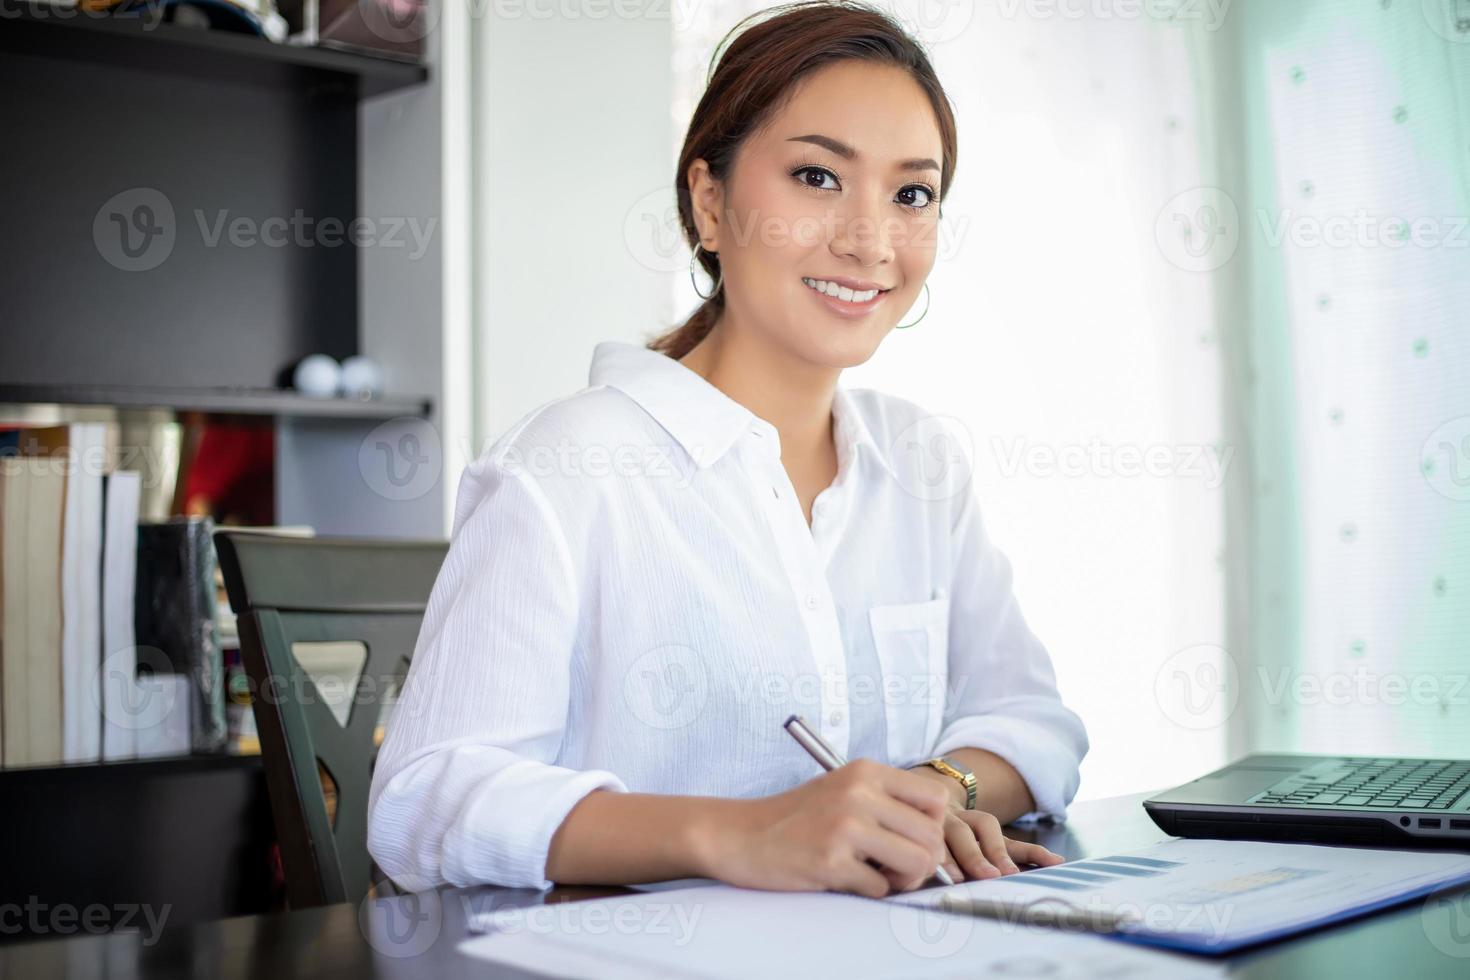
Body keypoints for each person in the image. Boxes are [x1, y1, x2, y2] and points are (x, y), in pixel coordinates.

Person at [368, 0, 1088, 899]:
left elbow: (1036, 719)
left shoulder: (920, 461)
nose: (869, 239)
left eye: (912, 194)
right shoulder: (569, 465)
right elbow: (425, 800)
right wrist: (744, 833)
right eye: (819, 177)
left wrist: (935, 792)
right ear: (709, 203)